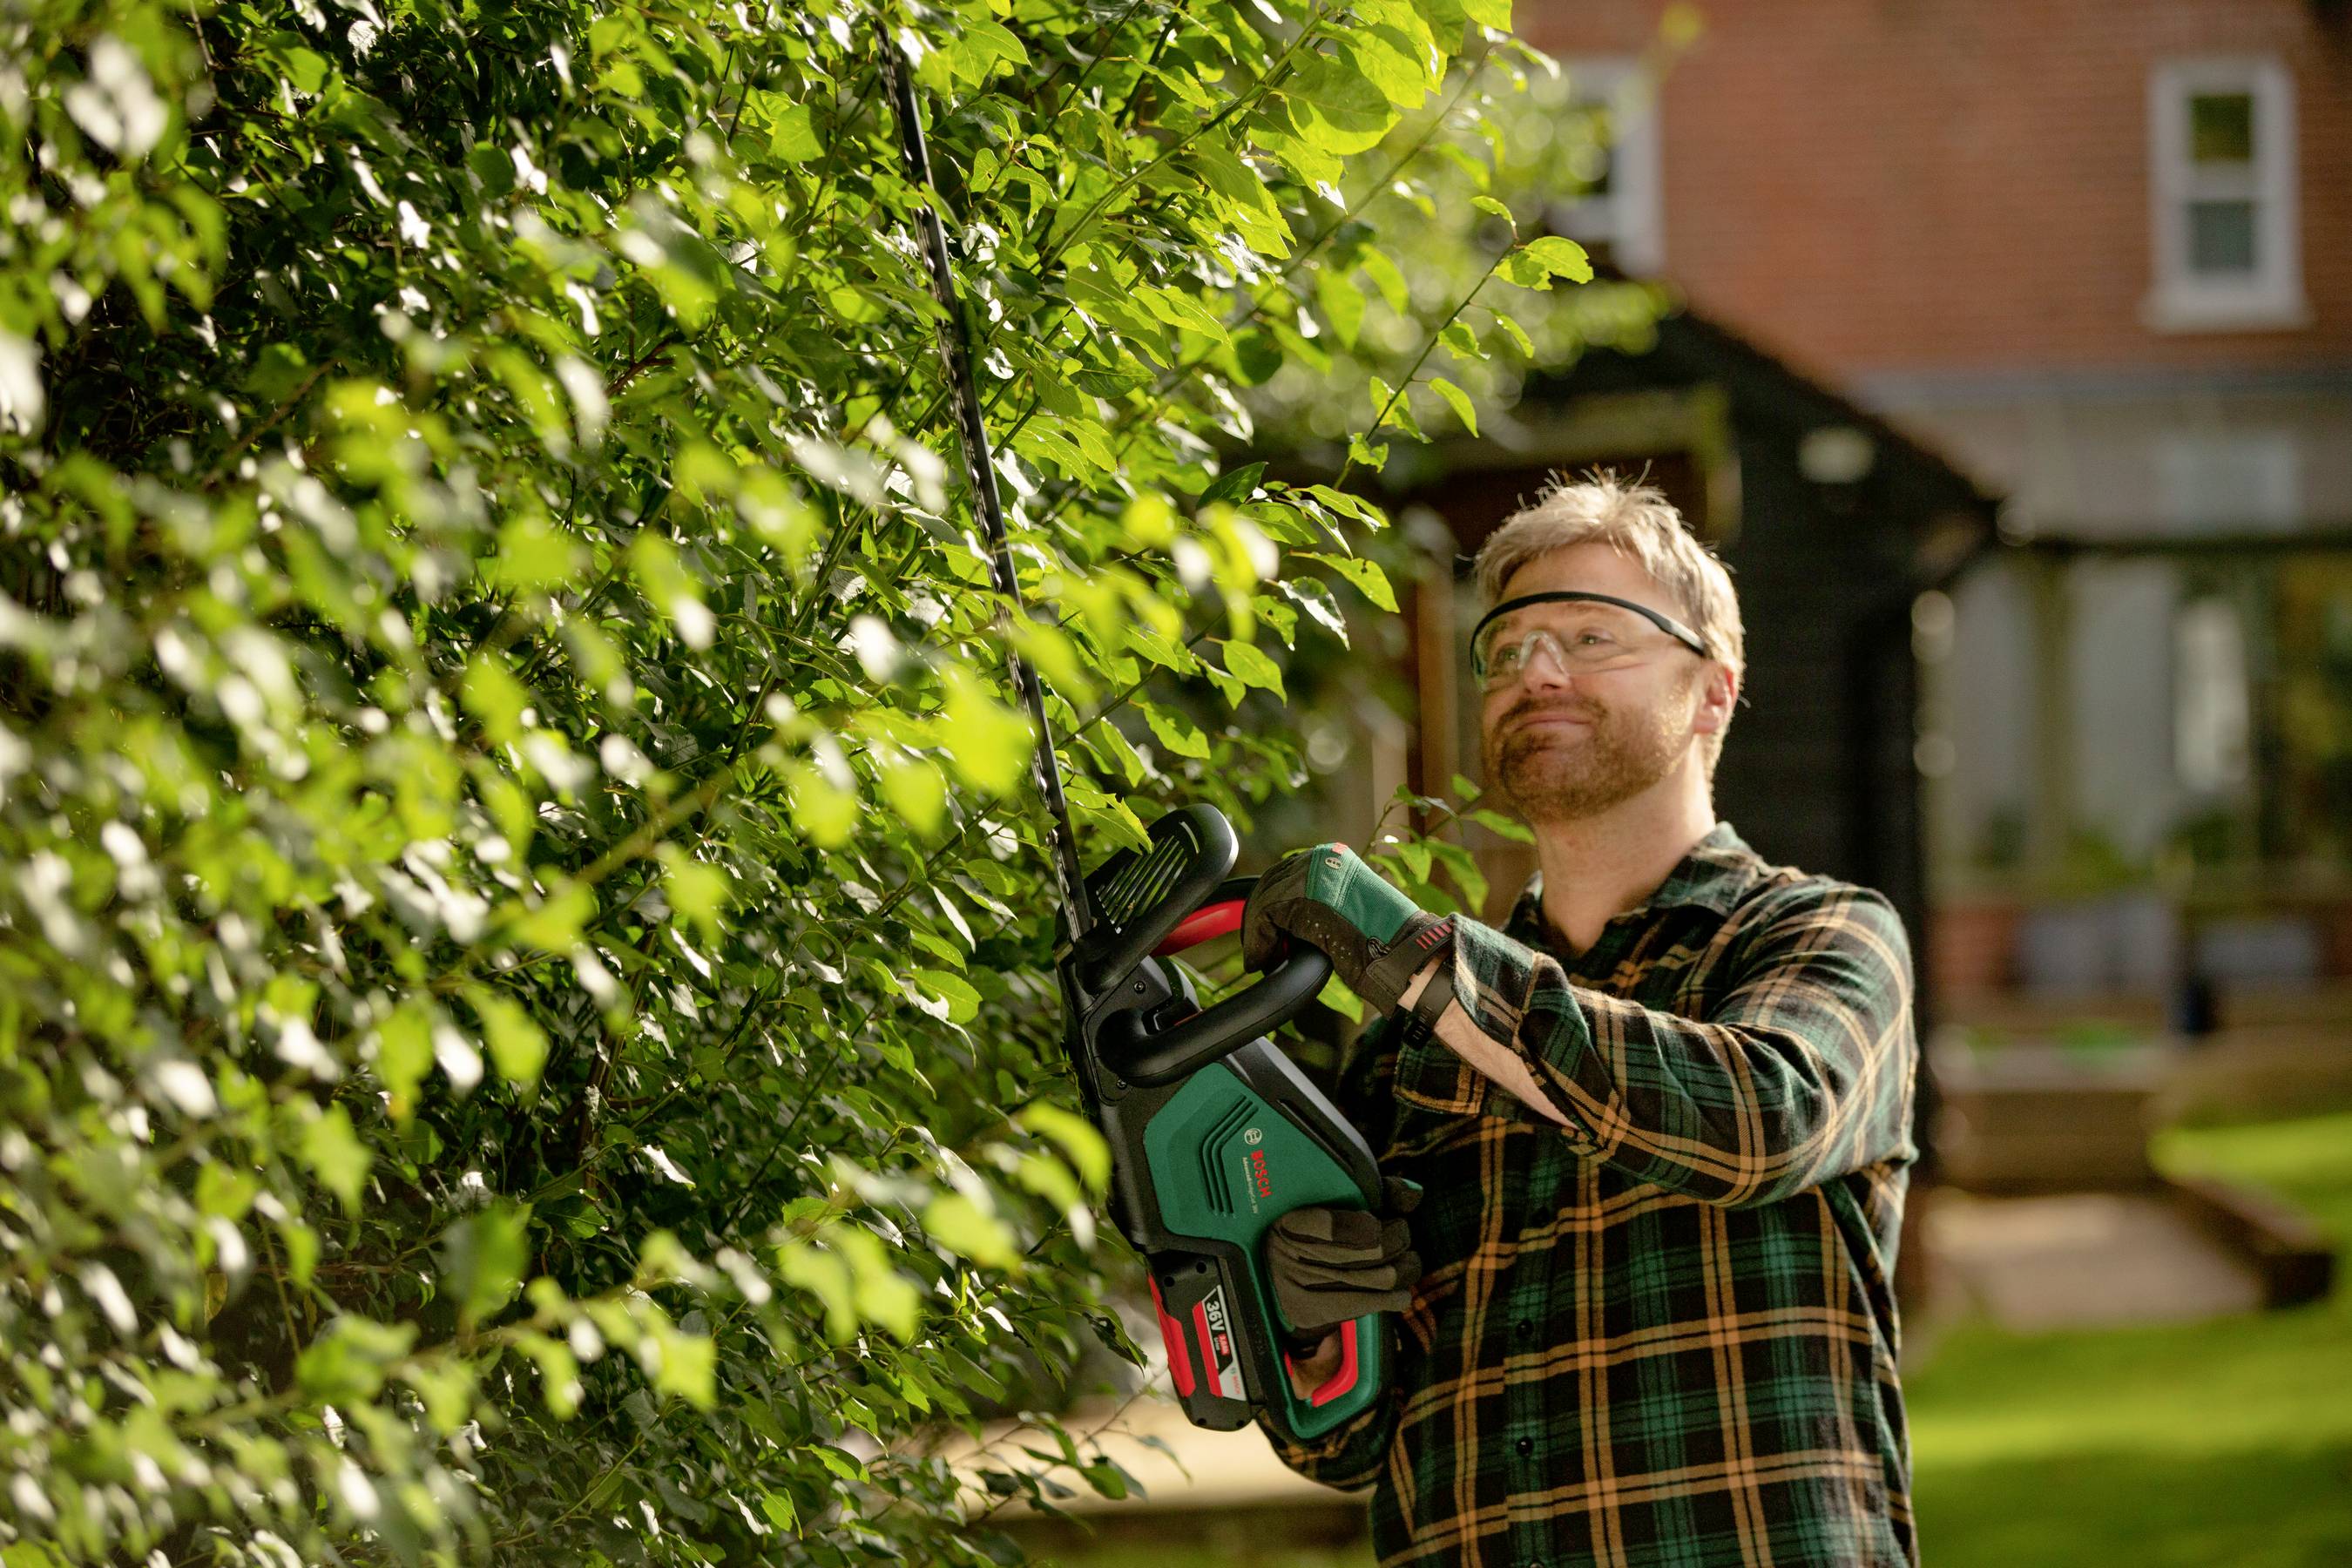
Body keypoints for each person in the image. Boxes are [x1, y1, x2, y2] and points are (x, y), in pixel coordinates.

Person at [1241, 473, 1920, 1568]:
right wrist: (1313, 1328)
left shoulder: (1817, 937)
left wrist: (1418, 958)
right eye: (1506, 651)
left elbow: (1758, 1121)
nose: (1535, 671)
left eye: (1592, 636)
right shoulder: (1409, 1047)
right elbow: (1341, 1444)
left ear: (1714, 690)